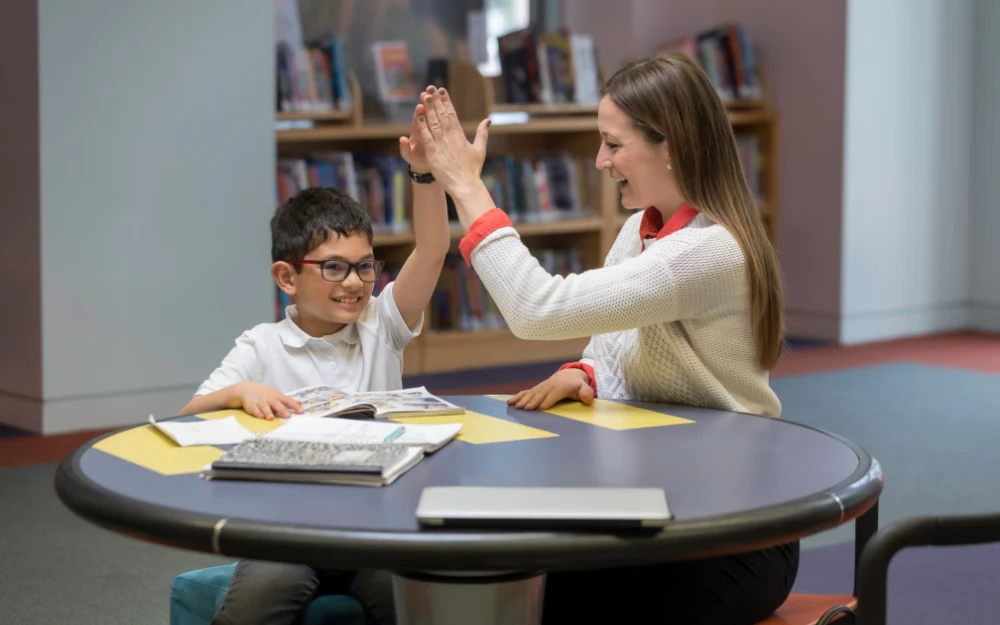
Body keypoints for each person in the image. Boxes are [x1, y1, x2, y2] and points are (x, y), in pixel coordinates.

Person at [411, 53, 797, 624]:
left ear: (671, 145)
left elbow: (535, 310)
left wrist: (467, 188)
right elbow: (614, 344)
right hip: (663, 501)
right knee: (528, 588)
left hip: (732, 530)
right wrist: (588, 373)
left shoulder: (706, 250)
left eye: (613, 145)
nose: (599, 161)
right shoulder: (642, 227)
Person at [180, 93, 458, 625]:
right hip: (288, 531)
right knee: (260, 597)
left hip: (376, 526)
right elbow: (190, 415)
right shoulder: (260, 345)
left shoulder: (382, 322)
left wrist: (424, 176)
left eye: (364, 267)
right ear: (287, 276)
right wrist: (239, 392)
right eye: (333, 268)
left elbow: (431, 249)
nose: (354, 283)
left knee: (410, 597)